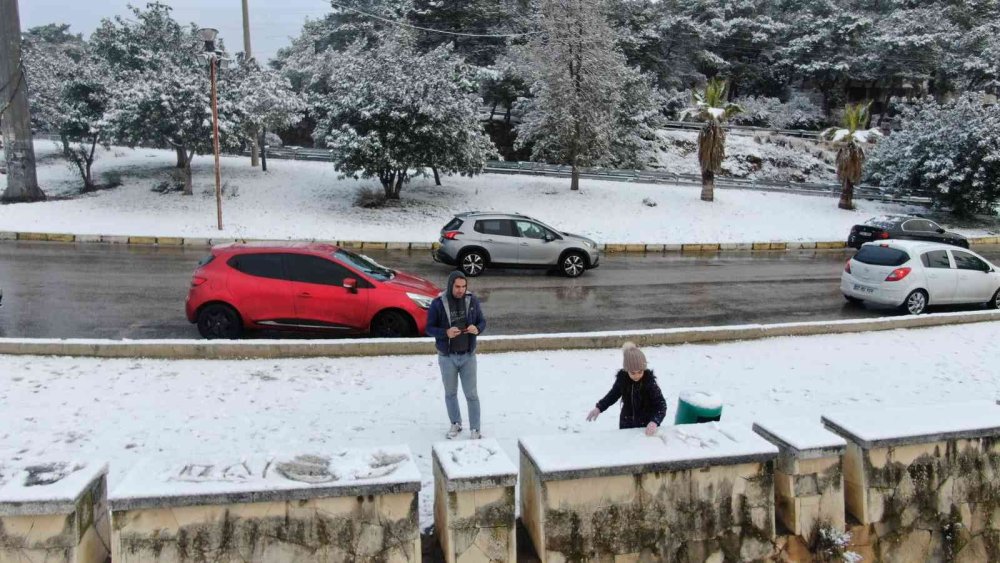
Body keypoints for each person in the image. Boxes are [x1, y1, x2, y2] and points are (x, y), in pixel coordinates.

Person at [426, 270, 487, 439]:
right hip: (447, 357)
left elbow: (482, 321)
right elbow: (429, 328)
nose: (461, 290)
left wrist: (478, 328)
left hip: (468, 355)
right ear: (450, 285)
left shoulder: (471, 299)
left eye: (464, 286)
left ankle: (475, 428)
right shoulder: (438, 303)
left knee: (471, 394)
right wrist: (445, 332)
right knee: (450, 393)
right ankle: (456, 423)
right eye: (457, 286)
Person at [586, 342, 666, 436]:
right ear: (626, 370)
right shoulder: (622, 381)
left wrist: (654, 421)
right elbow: (612, 395)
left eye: (640, 372)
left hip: (645, 425)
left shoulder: (649, 383)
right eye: (633, 373)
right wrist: (599, 407)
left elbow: (661, 405)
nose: (637, 376)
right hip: (626, 422)